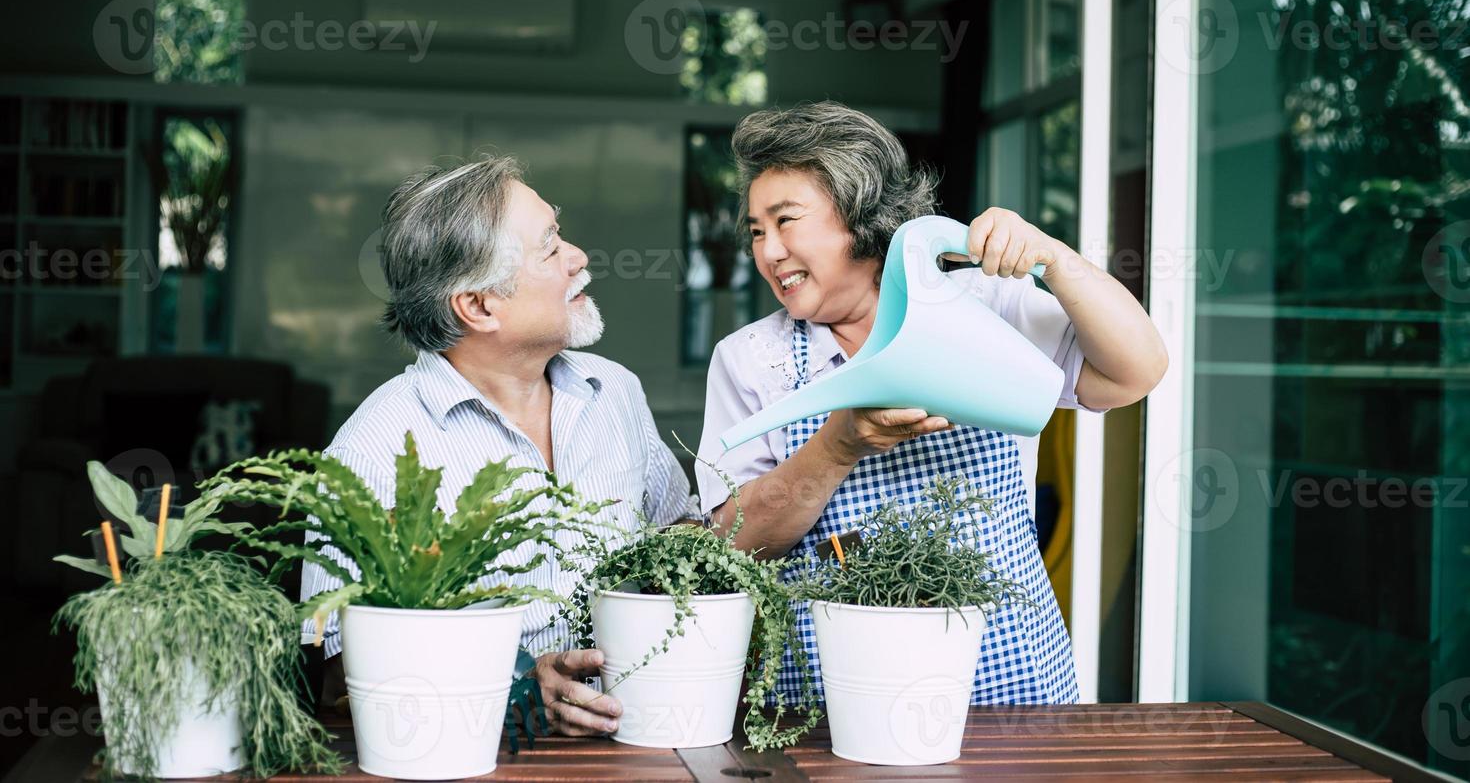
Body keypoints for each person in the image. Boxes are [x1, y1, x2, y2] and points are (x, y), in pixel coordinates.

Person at [696, 102, 1168, 704]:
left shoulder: (984, 304)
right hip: (834, 694)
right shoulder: (748, 359)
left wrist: (1055, 258)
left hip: (1008, 689)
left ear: (859, 213)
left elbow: (1135, 372)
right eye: (757, 231)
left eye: (786, 221)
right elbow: (736, 543)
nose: (767, 252)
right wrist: (836, 447)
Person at [301, 154, 696, 736]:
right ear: (480, 305)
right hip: (475, 757)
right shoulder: (373, 449)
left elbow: (680, 537)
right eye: (550, 246)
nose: (578, 257)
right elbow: (337, 668)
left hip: (636, 741)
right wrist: (516, 685)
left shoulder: (614, 392)